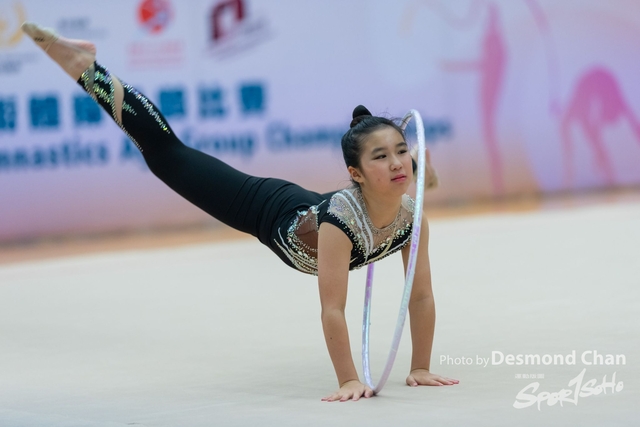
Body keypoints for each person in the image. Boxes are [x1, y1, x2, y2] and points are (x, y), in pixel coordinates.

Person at [21, 22, 458, 402]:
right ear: (354, 172)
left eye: (401, 151)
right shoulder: (339, 224)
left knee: (395, 193)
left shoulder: (411, 219)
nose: (395, 161)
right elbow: (333, 308)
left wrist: (420, 367)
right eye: (381, 156)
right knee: (167, 157)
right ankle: (87, 67)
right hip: (270, 209)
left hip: (328, 205)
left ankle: (422, 174)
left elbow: (419, 295)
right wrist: (348, 379)